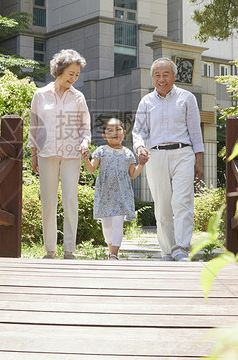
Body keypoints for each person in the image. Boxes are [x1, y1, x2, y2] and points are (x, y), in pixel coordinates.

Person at [131, 57, 204, 262]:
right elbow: (138, 131)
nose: (161, 79)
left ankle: (181, 249)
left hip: (183, 154)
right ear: (152, 77)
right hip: (155, 156)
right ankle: (167, 251)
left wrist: (199, 160)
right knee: (162, 206)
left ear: (174, 76)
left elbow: (195, 131)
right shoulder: (146, 101)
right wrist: (140, 148)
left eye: (165, 74)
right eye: (157, 75)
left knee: (182, 202)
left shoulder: (187, 98)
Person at [28, 49, 91, 259]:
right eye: (71, 73)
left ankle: (69, 250)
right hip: (47, 154)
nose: (73, 78)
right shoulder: (40, 95)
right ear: (59, 70)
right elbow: (34, 127)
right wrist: (33, 154)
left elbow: (85, 127)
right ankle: (50, 250)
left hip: (72, 155)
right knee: (48, 201)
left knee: (70, 200)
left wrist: (85, 142)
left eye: (77, 75)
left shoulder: (78, 97)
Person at [81, 118, 147, 260]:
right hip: (105, 193)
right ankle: (111, 249)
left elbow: (133, 174)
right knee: (107, 226)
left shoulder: (128, 153)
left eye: (117, 130)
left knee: (118, 222)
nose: (114, 133)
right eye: (109, 130)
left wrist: (141, 164)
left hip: (121, 194)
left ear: (123, 133)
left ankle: (114, 254)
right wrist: (86, 159)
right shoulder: (101, 151)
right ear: (104, 135)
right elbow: (92, 169)